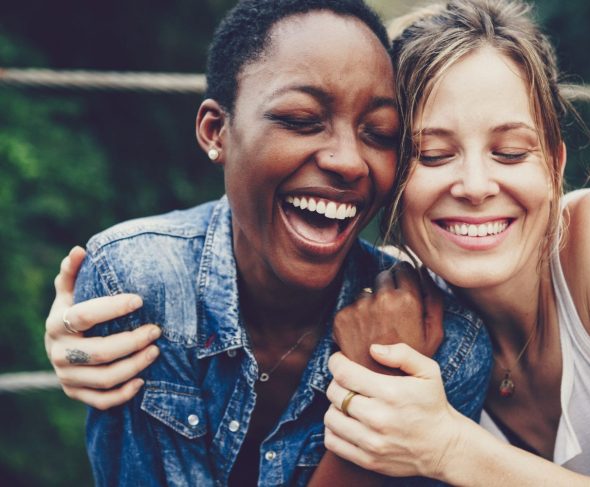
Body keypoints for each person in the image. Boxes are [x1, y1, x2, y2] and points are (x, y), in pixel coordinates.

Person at [43, 1, 493, 485]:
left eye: (378, 133)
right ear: (216, 131)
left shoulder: (445, 349)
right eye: (302, 119)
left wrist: (384, 387)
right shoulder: (138, 285)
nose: (349, 161)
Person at [320, 0, 590, 485]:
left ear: (555, 166)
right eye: (432, 155)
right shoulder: (403, 309)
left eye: (510, 153)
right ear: (390, 181)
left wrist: (452, 448)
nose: (475, 186)